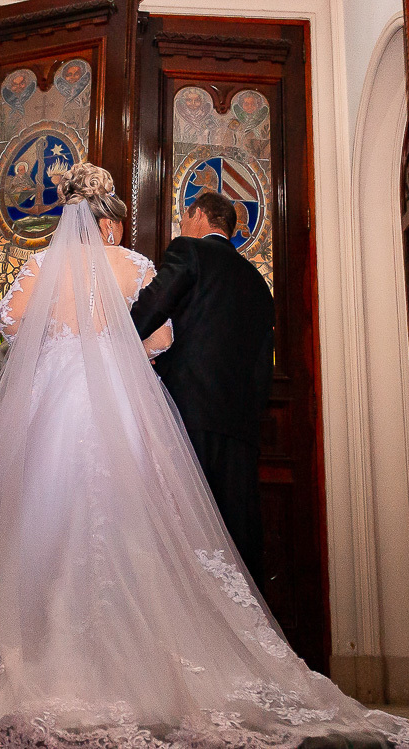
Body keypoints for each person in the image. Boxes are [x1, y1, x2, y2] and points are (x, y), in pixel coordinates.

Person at [0, 163, 409, 749]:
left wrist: (60, 333)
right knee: (134, 524)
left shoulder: (40, 266)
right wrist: (114, 343)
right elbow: (159, 336)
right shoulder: (133, 265)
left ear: (67, 214)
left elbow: (12, 324)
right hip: (117, 406)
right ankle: (134, 656)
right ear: (109, 220)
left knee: (42, 520)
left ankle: (33, 649)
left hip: (50, 400)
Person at [130, 191, 274, 586]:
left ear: (198, 217)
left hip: (188, 411)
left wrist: (112, 343)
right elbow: (264, 365)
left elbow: (151, 308)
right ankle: (242, 634)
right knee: (235, 536)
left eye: (183, 217)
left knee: (184, 530)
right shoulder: (258, 283)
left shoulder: (190, 252)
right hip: (241, 427)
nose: (180, 225)